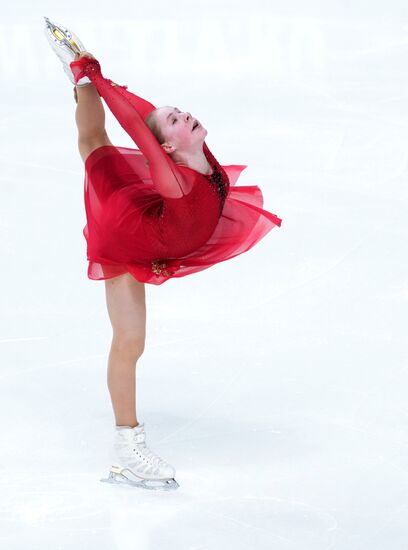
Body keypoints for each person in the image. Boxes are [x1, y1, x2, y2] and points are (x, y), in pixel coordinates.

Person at [44, 17, 282, 491]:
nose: (185, 115)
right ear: (167, 145)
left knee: (94, 145)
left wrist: (110, 84)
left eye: (182, 112)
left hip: (161, 228)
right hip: (128, 231)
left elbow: (150, 113)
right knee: (131, 342)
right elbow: (139, 125)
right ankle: (127, 448)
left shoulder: (200, 157)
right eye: (176, 120)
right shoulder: (172, 175)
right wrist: (96, 75)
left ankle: (80, 80)